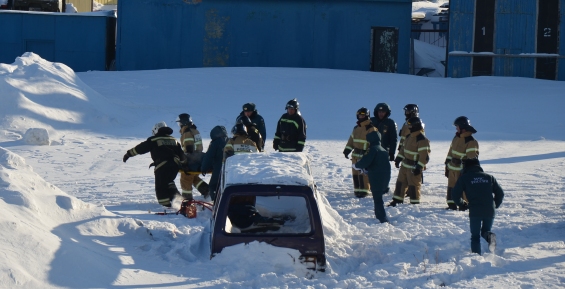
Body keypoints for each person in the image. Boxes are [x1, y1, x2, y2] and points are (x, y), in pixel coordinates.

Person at [122, 121, 187, 208]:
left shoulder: (154, 140)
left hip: (162, 166)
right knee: (169, 182)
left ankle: (165, 204)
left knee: (161, 186)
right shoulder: (174, 140)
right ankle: (179, 201)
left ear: (156, 130)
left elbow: (140, 148)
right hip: (174, 166)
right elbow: (182, 155)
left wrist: (128, 154)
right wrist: (185, 165)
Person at [452, 158, 504, 255]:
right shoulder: (489, 177)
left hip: (475, 210)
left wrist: (462, 204)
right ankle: (490, 236)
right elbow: (500, 193)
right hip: (489, 209)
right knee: (485, 231)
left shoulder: (464, 178)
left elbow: (455, 195)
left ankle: (476, 256)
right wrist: (495, 205)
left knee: (475, 236)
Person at [388, 116, 430, 206]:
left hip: (414, 167)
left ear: (416, 126)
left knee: (414, 186)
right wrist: (398, 158)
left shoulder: (422, 140)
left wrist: (419, 167)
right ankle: (397, 200)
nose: (409, 127)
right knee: (400, 183)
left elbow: (424, 157)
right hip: (405, 165)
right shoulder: (409, 136)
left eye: (410, 125)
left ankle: (414, 203)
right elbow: (403, 149)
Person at [352, 131, 391, 223]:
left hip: (376, 178)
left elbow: (366, 161)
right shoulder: (383, 150)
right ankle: (378, 215)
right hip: (384, 177)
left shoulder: (373, 150)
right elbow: (377, 163)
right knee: (378, 198)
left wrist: (357, 165)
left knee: (378, 199)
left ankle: (382, 218)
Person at [445, 116, 479, 210]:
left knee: (463, 189)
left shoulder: (471, 142)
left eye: (457, 126)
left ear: (462, 127)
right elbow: (451, 151)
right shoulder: (456, 137)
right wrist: (447, 163)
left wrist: (466, 170)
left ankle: (465, 206)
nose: (456, 128)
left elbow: (472, 159)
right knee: (451, 187)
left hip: (462, 171)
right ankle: (451, 205)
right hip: (452, 169)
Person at [343, 107, 379, 198]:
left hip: (365, 155)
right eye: (359, 115)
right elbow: (351, 140)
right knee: (355, 173)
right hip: (355, 155)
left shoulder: (371, 128)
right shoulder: (356, 128)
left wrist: (370, 155)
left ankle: (364, 191)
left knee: (364, 174)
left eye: (363, 115)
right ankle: (357, 190)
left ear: (367, 115)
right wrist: (347, 150)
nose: (361, 116)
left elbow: (375, 144)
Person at [176, 113, 209, 200]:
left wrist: (184, 162)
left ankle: (187, 200)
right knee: (194, 178)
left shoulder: (187, 133)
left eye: (180, 123)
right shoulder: (195, 131)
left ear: (183, 122)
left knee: (185, 180)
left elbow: (188, 148)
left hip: (191, 161)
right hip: (198, 159)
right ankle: (208, 191)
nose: (179, 125)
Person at [201, 125, 228, 202]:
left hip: (219, 169)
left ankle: (216, 203)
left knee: (213, 186)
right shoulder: (230, 141)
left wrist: (204, 168)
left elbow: (208, 156)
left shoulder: (215, 143)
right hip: (231, 169)